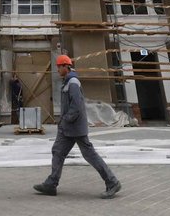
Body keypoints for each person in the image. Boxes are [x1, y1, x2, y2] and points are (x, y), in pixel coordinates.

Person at [34, 55, 121, 199]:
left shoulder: (73, 82)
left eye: (59, 67)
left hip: (74, 127)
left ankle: (112, 182)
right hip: (67, 128)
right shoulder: (68, 82)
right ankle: (51, 184)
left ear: (65, 67)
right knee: (57, 151)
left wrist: (66, 119)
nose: (57, 70)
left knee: (90, 155)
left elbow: (77, 106)